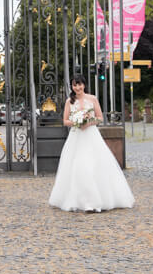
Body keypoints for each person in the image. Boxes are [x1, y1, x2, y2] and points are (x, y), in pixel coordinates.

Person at [48, 73, 134, 212]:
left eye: (80, 84)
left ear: (84, 85)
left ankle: (98, 199)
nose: (77, 87)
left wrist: (88, 123)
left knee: (95, 164)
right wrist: (76, 122)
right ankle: (80, 200)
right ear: (72, 86)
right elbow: (65, 121)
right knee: (78, 166)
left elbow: (100, 118)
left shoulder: (92, 99)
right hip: (76, 137)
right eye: (75, 85)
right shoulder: (69, 101)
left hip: (91, 135)